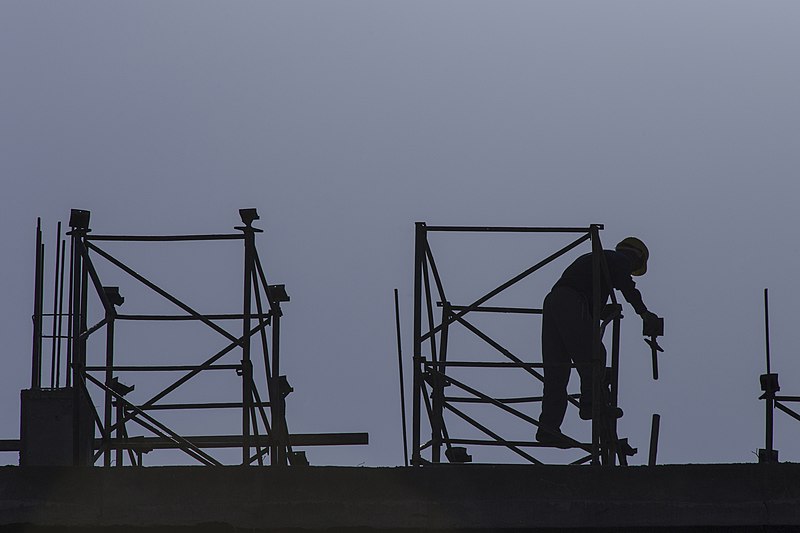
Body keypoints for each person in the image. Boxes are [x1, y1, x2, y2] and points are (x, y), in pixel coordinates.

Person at [536, 237, 660, 446]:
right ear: (636, 256)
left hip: (555, 302)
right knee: (595, 354)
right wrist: (644, 313)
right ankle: (590, 403)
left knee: (557, 372)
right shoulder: (618, 259)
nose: (631, 270)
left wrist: (602, 312)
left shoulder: (599, 261)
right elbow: (627, 287)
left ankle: (548, 428)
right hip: (571, 302)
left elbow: (586, 294)